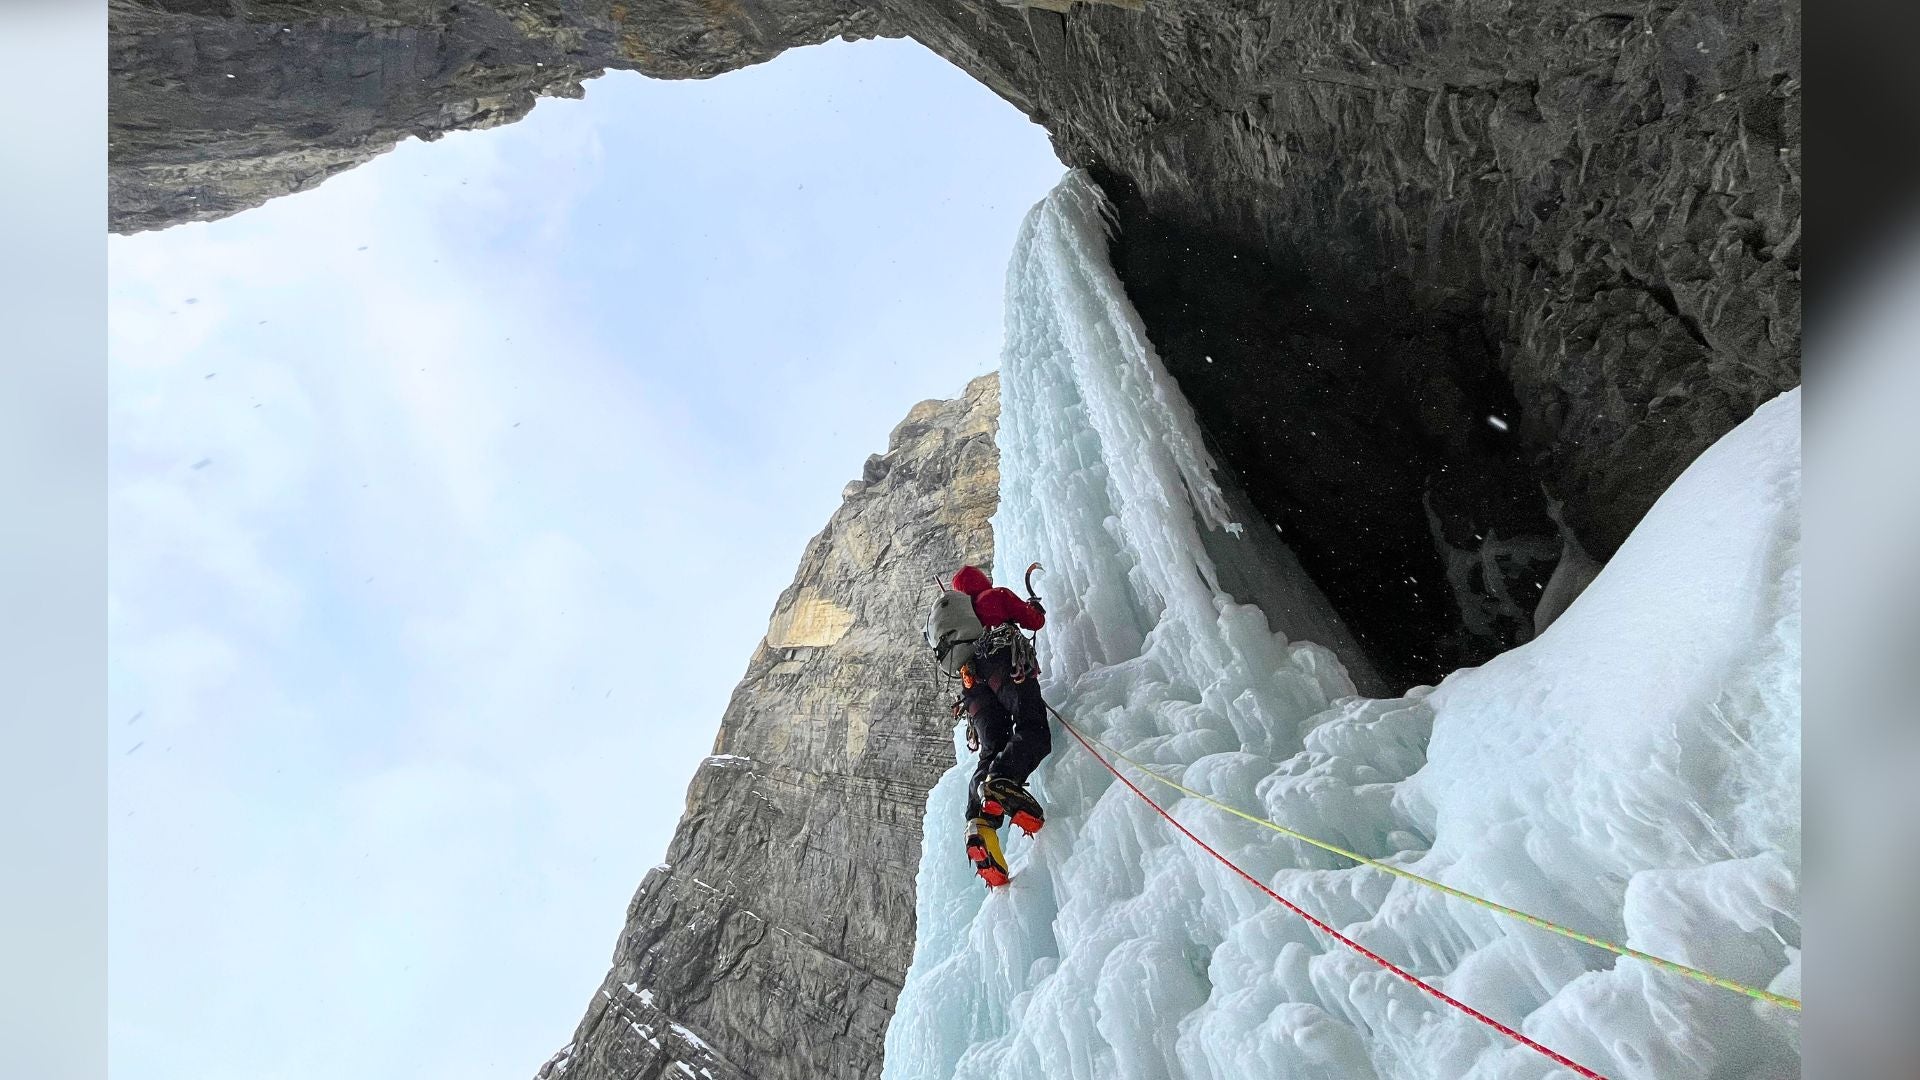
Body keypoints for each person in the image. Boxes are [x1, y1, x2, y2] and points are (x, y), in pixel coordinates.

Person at [947, 564, 1052, 887]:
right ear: (982, 583)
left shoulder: (958, 631)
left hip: (972, 687)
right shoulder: (995, 596)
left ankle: (979, 824)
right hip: (1002, 664)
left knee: (990, 748)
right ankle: (1003, 780)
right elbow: (1034, 621)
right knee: (1032, 727)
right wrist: (1033, 608)